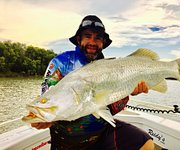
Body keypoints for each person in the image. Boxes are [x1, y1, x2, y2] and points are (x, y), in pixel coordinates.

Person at [31, 15, 154, 150]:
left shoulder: (109, 66)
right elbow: (49, 97)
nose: (92, 42)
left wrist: (130, 91)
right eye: (88, 36)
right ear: (79, 39)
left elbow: (111, 109)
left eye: (98, 38)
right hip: (66, 140)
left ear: (103, 43)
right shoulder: (60, 63)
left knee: (145, 143)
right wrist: (46, 119)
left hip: (101, 133)